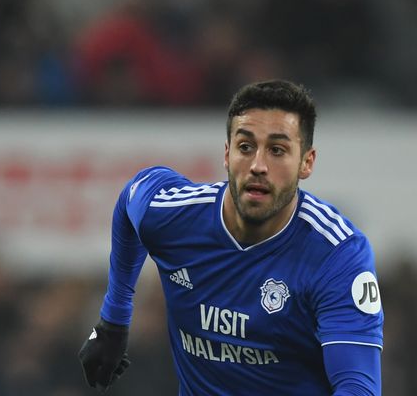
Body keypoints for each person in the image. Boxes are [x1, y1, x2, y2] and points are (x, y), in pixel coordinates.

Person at [78, 79, 384, 395]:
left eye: (277, 150)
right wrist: (114, 321)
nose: (258, 166)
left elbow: (358, 386)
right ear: (227, 154)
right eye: (245, 147)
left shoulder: (337, 254)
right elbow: (131, 198)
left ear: (306, 162)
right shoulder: (176, 217)